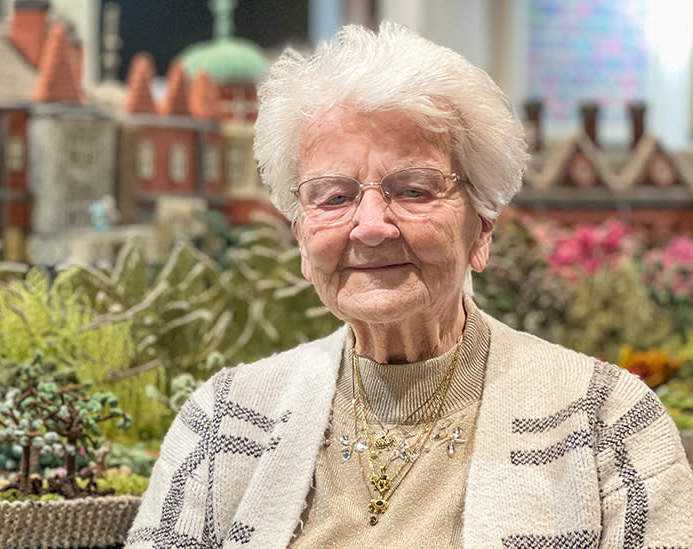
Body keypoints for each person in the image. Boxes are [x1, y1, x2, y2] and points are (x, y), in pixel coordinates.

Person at [125, 22, 693, 548]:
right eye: (334, 196)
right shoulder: (225, 418)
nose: (370, 226)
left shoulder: (606, 420)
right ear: (301, 237)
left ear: (482, 228)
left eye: (414, 190)